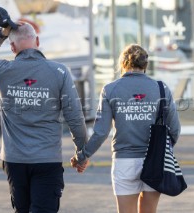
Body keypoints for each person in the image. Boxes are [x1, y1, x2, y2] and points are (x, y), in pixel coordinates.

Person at [0, 22, 88, 213]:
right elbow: (74, 116)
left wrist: (1, 34)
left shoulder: (2, 69)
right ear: (37, 41)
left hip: (14, 161)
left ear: (12, 47)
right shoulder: (59, 72)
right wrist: (82, 153)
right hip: (46, 159)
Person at [71, 44, 181, 213]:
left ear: (123, 64)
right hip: (154, 160)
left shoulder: (110, 90)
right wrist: (161, 150)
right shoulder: (162, 89)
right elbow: (174, 129)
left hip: (125, 161)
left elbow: (101, 133)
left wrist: (82, 156)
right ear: (145, 65)